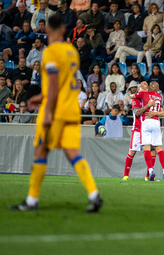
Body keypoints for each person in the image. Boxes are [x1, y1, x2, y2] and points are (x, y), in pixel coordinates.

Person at [10, 14, 103, 212]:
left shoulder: (51, 52)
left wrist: (49, 110)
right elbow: (61, 85)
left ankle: (32, 200)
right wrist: (39, 98)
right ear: (63, 30)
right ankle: (94, 194)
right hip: (71, 109)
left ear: (46, 30)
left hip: (55, 110)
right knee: (73, 153)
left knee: (41, 151)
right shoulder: (71, 52)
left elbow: (53, 84)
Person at [131, 81, 164, 181]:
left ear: (149, 88)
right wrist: (155, 113)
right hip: (156, 122)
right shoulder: (160, 97)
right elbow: (163, 113)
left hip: (146, 122)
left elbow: (132, 95)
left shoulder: (144, 94)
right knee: (159, 149)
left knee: (146, 148)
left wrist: (137, 93)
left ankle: (151, 171)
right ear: (157, 88)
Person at [123, 76, 157, 181]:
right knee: (132, 152)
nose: (146, 88)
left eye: (147, 86)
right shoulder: (136, 99)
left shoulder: (151, 98)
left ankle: (148, 177)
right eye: (143, 86)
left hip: (148, 129)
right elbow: (137, 112)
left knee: (152, 151)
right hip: (138, 129)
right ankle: (126, 175)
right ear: (139, 89)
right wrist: (148, 106)